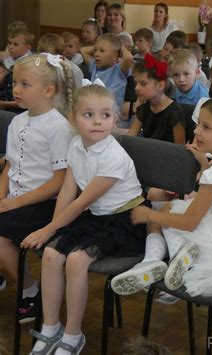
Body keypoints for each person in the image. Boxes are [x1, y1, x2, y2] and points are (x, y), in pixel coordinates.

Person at [22, 84, 149, 354]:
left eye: (105, 115)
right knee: (51, 255)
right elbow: (68, 190)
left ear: (115, 119)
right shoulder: (76, 144)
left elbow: (82, 201)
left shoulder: (113, 156)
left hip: (125, 220)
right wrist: (52, 232)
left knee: (77, 259)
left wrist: (48, 229)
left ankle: (73, 334)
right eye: (88, 115)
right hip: (96, 215)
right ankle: (50, 327)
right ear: (72, 118)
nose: (97, 122)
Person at [111, 96, 212, 298]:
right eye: (198, 124)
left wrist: (149, 215)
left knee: (162, 215)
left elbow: (189, 222)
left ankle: (162, 261)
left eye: (206, 127)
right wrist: (204, 163)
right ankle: (173, 262)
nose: (196, 131)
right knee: (171, 211)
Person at [0, 54, 74, 324]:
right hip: (15, 200)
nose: (16, 90)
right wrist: (2, 196)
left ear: (48, 90)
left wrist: (14, 204)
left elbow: (59, 181)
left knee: (0, 241)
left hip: (45, 205)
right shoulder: (17, 121)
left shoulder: (58, 127)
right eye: (15, 83)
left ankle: (31, 291)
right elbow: (9, 166)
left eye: (24, 84)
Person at [128, 53, 185, 144]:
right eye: (136, 83)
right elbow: (130, 139)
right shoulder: (143, 109)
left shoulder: (174, 113)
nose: (136, 88)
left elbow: (180, 149)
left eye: (143, 83)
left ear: (160, 85)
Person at [81, 33, 134, 108]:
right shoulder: (95, 66)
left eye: (102, 51)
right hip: (94, 106)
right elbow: (83, 50)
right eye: (95, 50)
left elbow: (129, 58)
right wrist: (100, 45)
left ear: (114, 56)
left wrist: (119, 46)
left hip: (111, 111)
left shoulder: (119, 70)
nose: (96, 54)